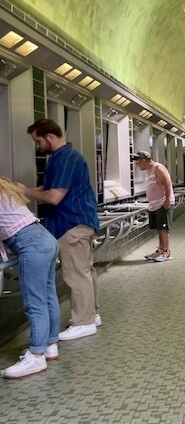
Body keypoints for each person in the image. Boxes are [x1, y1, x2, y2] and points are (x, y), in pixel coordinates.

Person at [21, 119, 101, 341]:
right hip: (78, 222)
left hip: (71, 223)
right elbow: (48, 188)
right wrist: (25, 190)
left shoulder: (65, 158)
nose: (37, 146)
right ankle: (91, 315)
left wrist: (26, 192)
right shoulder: (63, 158)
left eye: (38, 141)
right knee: (85, 271)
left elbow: (54, 196)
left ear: (49, 137)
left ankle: (83, 322)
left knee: (76, 274)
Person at [1, 176, 60, 378]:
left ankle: (36, 355)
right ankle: (50, 344)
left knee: (34, 302)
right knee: (48, 295)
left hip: (31, 245)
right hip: (45, 238)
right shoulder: (5, 189)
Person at [132, 151, 175, 262]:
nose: (137, 165)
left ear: (144, 160)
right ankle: (160, 249)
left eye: (138, 162)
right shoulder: (149, 171)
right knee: (159, 228)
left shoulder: (158, 168)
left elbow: (167, 184)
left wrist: (167, 200)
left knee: (164, 228)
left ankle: (166, 252)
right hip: (154, 204)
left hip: (162, 202)